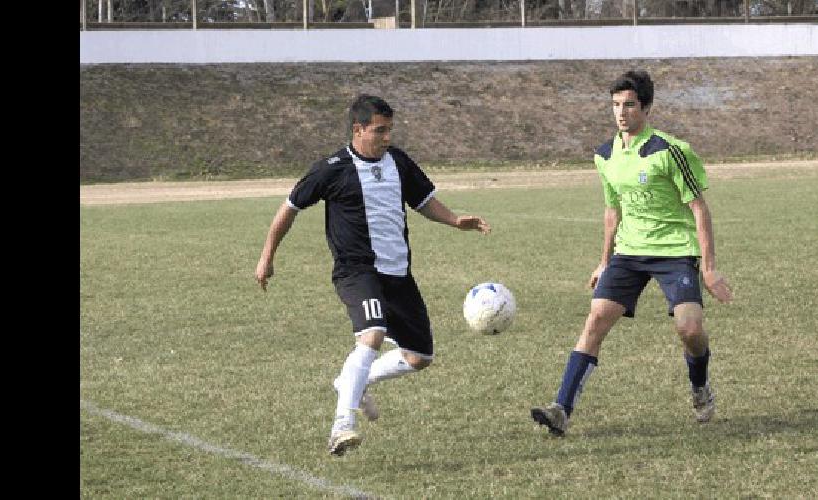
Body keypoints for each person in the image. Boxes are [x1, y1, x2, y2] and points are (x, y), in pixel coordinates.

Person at [255, 94, 491, 456]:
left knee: (418, 356)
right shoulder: (331, 168)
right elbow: (289, 208)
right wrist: (267, 256)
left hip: (398, 273)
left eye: (389, 130)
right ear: (358, 129)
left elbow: (423, 199)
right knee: (372, 333)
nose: (386, 138)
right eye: (379, 131)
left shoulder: (397, 161)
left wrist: (455, 220)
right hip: (357, 270)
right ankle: (342, 425)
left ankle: (353, 381)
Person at [530, 70, 734, 436]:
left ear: (646, 107)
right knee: (595, 319)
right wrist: (604, 260)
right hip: (629, 252)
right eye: (615, 105)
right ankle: (561, 409)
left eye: (629, 105)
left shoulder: (671, 151)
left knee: (690, 329)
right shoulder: (605, 155)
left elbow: (699, 208)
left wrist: (710, 269)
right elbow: (613, 211)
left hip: (674, 252)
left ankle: (700, 386)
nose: (621, 113)